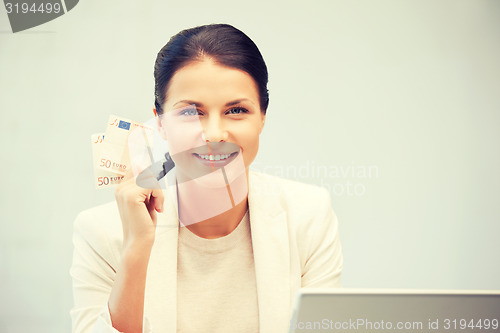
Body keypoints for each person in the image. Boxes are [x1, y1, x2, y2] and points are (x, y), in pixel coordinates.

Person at [70, 23, 343, 333]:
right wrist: (136, 248)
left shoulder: (308, 215)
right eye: (190, 112)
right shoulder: (99, 233)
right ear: (160, 123)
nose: (214, 134)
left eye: (237, 110)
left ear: (262, 118)